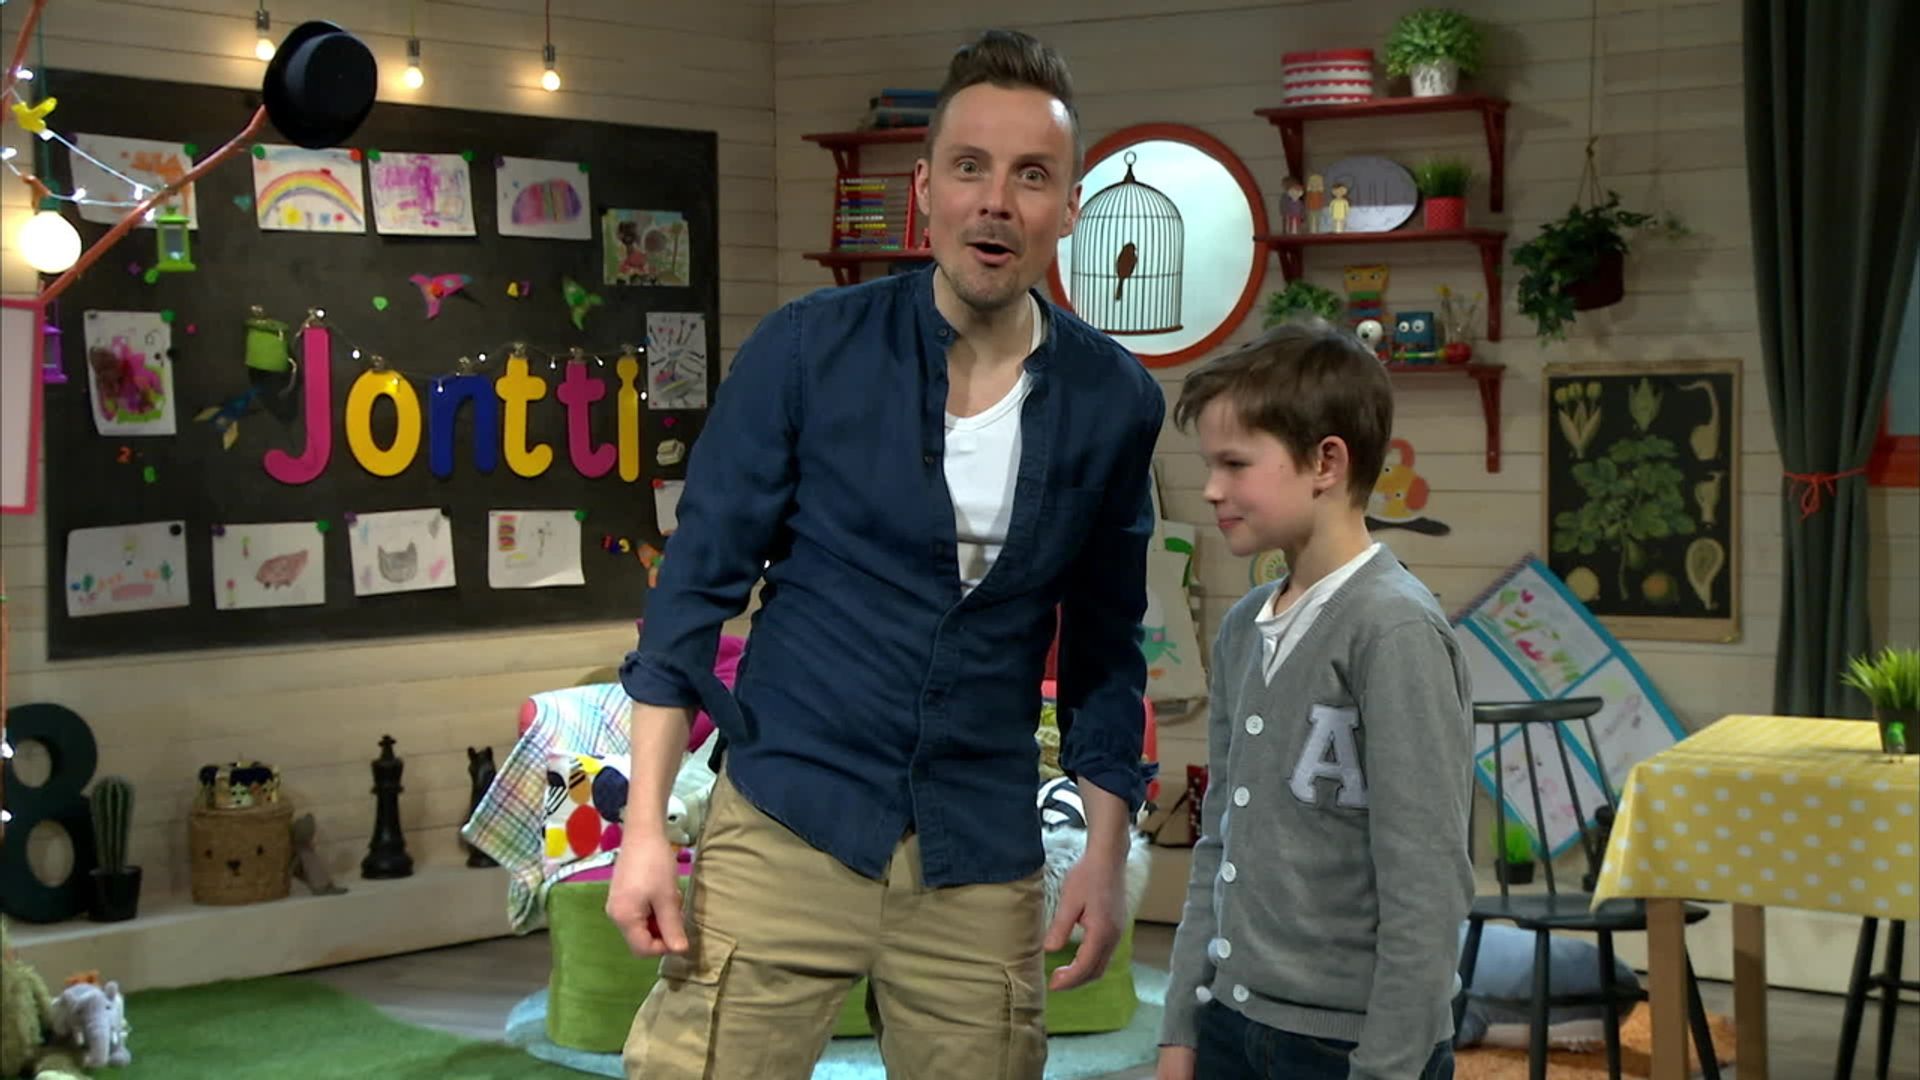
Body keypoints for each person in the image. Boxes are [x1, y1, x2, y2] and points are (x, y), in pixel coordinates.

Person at [608, 27, 1167, 1080]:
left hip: (978, 851)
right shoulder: (806, 350)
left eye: (1031, 175)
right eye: (970, 168)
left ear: (1069, 207)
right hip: (789, 816)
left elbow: (1105, 650)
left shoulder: (1115, 401)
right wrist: (645, 830)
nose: (995, 202)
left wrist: (1105, 851)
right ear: (924, 190)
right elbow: (689, 599)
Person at [1155, 321, 1474, 1080]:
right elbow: (1217, 843)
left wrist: (1387, 1068)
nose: (1212, 489)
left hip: (1350, 1049)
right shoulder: (1243, 628)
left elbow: (1426, 888)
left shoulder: (1394, 631)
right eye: (1209, 465)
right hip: (1230, 1024)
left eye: (1235, 463)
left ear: (1326, 462)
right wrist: (1181, 1028)